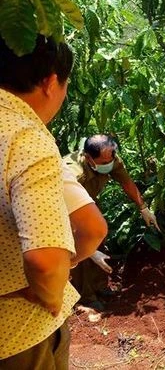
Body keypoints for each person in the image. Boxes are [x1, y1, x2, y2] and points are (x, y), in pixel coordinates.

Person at [0, 35, 101, 367]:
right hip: (15, 336)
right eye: (66, 83)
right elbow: (47, 260)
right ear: (50, 81)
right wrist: (48, 292)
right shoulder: (25, 137)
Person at [63, 134, 159, 310]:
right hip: (66, 207)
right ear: (88, 158)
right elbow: (64, 211)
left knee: (99, 237)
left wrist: (143, 208)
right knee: (82, 248)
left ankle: (100, 286)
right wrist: (90, 251)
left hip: (88, 201)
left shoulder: (111, 158)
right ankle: (85, 297)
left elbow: (126, 182)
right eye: (103, 161)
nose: (109, 163)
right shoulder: (72, 173)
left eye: (111, 158)